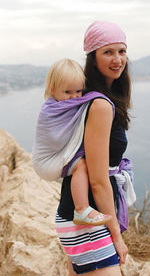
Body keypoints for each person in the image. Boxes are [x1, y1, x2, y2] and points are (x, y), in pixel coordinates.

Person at [55, 21, 132, 276]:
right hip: (86, 221)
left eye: (121, 51)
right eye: (107, 52)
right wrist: (117, 239)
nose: (117, 59)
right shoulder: (99, 105)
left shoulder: (94, 98)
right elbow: (99, 181)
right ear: (92, 57)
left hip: (78, 215)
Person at [33, 58, 112, 226]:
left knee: (82, 164)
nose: (74, 97)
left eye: (78, 91)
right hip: (45, 161)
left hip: (53, 159)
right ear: (53, 89)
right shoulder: (51, 109)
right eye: (68, 92)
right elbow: (55, 138)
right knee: (81, 165)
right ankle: (81, 209)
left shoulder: (66, 103)